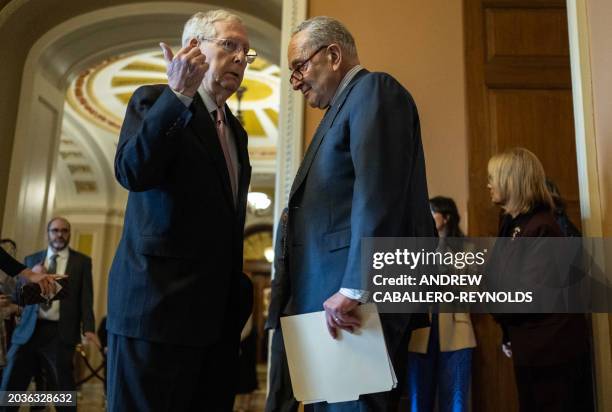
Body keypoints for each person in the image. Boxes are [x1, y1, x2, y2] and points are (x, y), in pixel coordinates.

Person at [265, 16, 435, 412]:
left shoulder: (373, 91)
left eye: (299, 67)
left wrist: (356, 286)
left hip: (355, 306)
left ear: (334, 55)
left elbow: (379, 194)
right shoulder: (339, 110)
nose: (296, 81)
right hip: (329, 305)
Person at [107, 9, 254, 411]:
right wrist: (179, 97)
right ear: (193, 48)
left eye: (246, 51)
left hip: (215, 327)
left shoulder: (236, 132)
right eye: (229, 45)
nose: (241, 58)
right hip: (155, 314)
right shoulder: (154, 100)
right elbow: (133, 171)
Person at [487, 148, 593, 412]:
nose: (488, 184)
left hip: (552, 352)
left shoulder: (541, 227)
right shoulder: (513, 223)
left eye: (493, 177)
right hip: (531, 346)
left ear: (512, 180)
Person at [1, 217, 99, 412]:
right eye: (55, 230)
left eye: (64, 230)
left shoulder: (82, 262)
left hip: (60, 332)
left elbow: (86, 299)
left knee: (62, 387)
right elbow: (20, 297)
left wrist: (89, 329)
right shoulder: (31, 260)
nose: (59, 234)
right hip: (29, 329)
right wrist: (28, 281)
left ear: (69, 233)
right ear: (48, 233)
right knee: (12, 380)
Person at [406, 196, 476, 411]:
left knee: (456, 399)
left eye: (432, 212)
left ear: (445, 217)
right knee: (419, 398)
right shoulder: (416, 247)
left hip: (456, 329)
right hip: (421, 330)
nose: (427, 216)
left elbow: (471, 294)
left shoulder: (467, 249)